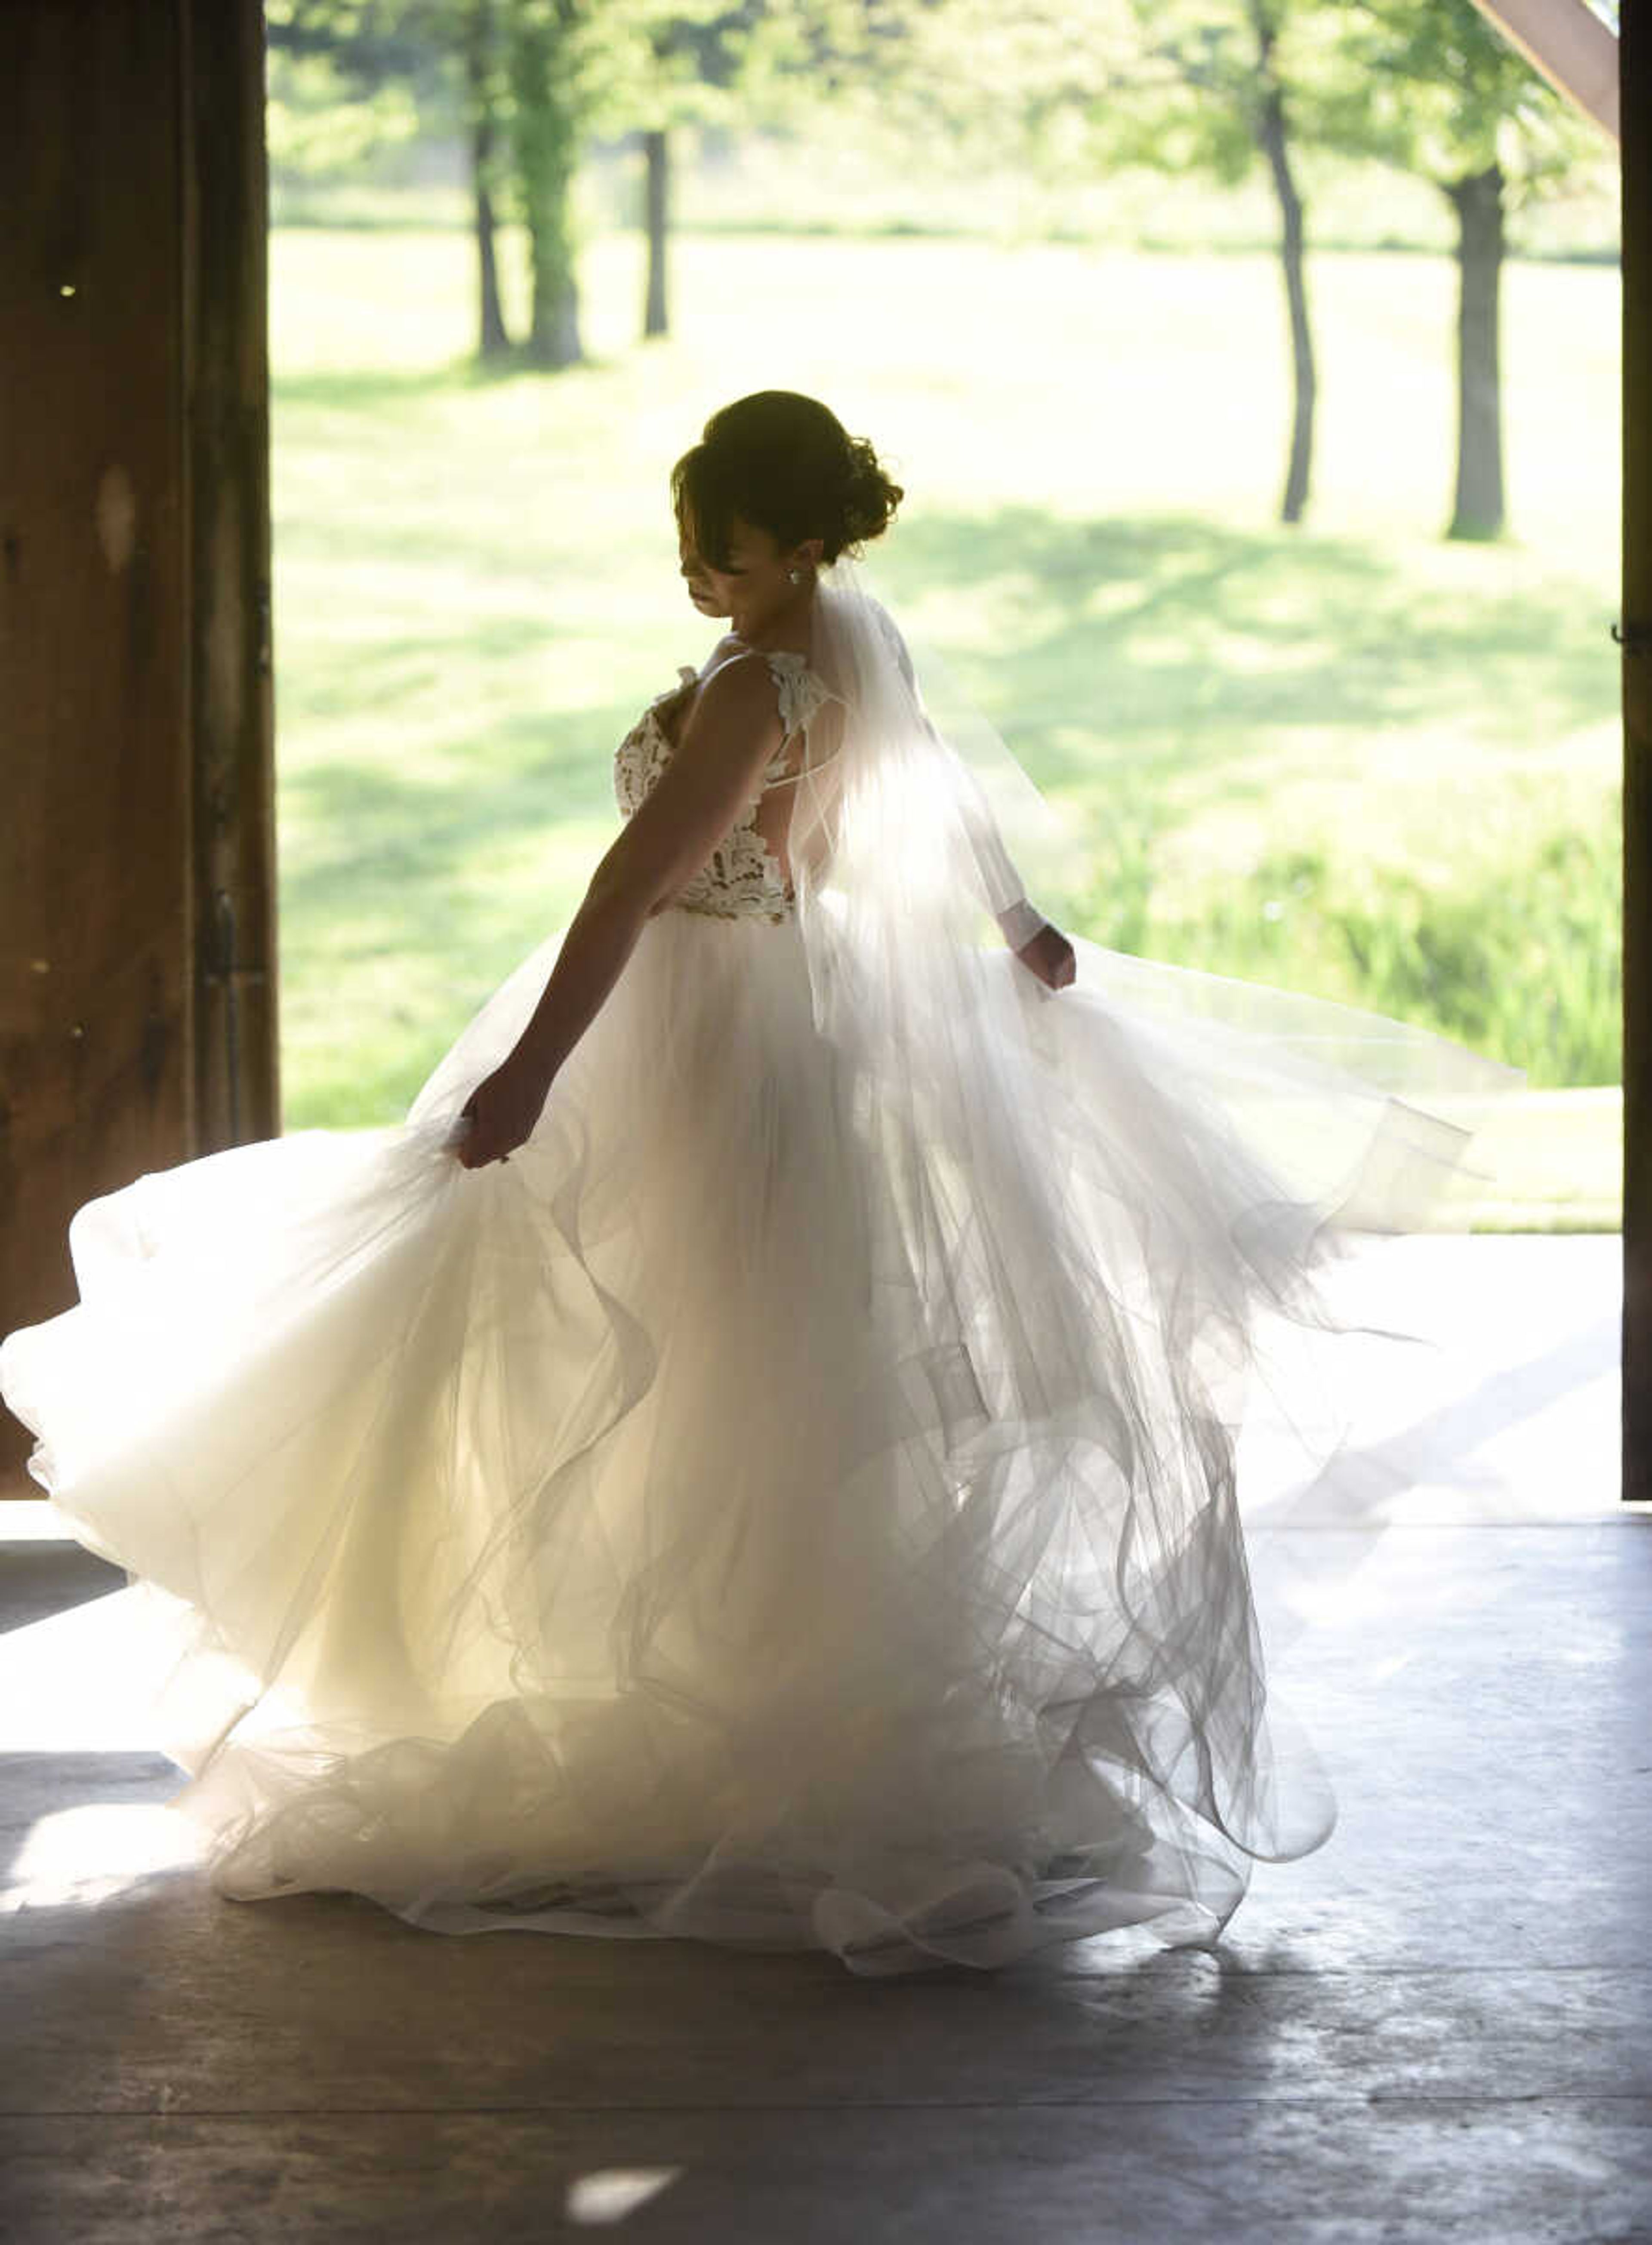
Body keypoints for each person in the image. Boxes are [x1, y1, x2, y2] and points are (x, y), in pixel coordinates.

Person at [0, 391, 1524, 1977]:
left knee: (659, 1349)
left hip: (691, 1034)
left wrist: (528, 1069)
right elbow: (937, 782)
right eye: (685, 545)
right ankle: (732, 1682)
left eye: (718, 549)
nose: (693, 573)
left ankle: (715, 1711)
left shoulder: (761, 687)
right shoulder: (859, 650)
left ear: (801, 544)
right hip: (780, 1019)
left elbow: (632, 880)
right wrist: (1018, 930)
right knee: (749, 1370)